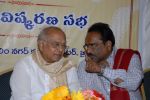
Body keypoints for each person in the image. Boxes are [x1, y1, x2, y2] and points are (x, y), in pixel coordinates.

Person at [10, 26, 80, 100]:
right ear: (41, 45)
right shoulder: (24, 66)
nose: (60, 49)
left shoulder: (67, 66)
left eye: (63, 46)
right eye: (56, 44)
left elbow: (76, 95)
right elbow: (22, 98)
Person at [77, 22, 143, 100]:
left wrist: (102, 70)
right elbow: (85, 95)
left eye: (93, 45)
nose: (88, 51)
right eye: (87, 46)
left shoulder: (130, 57)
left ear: (108, 45)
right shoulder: (85, 66)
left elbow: (134, 82)